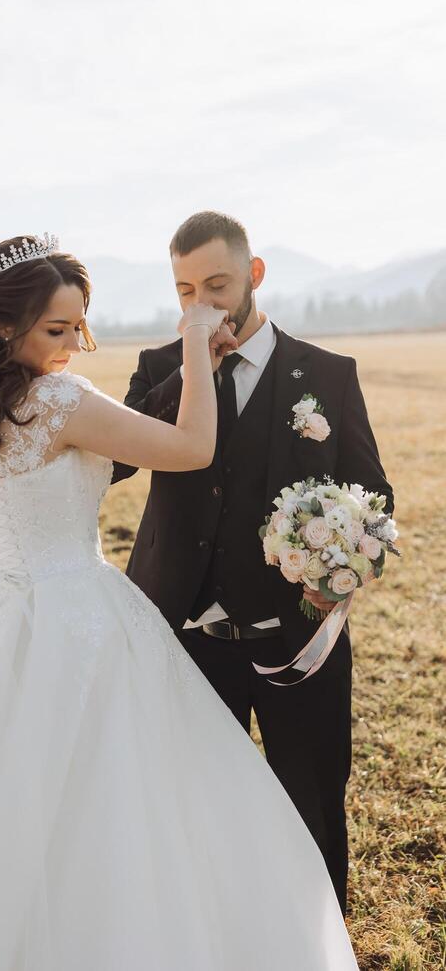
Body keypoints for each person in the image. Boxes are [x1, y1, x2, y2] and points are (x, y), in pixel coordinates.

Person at [0, 234, 359, 969]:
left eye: (80, 327)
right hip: (82, 616)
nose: (73, 346)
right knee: (119, 801)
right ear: (2, 326)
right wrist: (194, 344)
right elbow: (189, 448)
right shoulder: (56, 403)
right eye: (57, 330)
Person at [112, 210, 395, 914]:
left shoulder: (328, 374)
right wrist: (189, 370)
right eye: (185, 291)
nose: (202, 304)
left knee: (313, 803)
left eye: (217, 284)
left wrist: (337, 557)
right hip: (186, 638)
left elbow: (372, 494)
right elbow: (115, 460)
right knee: (193, 806)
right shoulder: (157, 368)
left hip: (300, 639)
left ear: (254, 276)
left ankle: (320, 941)